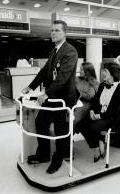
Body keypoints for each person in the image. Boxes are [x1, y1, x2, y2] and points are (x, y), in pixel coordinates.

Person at [21, 20, 78, 174]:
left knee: (61, 130)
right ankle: (44, 154)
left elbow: (63, 77)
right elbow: (44, 72)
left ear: (65, 33)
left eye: (57, 30)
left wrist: (47, 93)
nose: (53, 33)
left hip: (63, 99)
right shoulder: (53, 51)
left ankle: (58, 159)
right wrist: (30, 87)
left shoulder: (70, 51)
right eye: (52, 30)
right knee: (40, 123)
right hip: (51, 97)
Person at [80, 62, 120, 162]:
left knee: (91, 126)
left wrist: (98, 116)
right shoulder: (102, 85)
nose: (102, 73)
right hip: (99, 115)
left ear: (112, 73)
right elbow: (95, 102)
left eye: (105, 71)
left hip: (111, 119)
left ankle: (100, 141)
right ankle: (96, 146)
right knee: (80, 123)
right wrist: (92, 111)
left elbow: (114, 112)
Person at [74, 62, 99, 133]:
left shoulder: (94, 82)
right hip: (75, 102)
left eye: (82, 70)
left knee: (73, 120)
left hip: (85, 105)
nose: (79, 71)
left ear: (87, 71)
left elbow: (89, 96)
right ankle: (67, 139)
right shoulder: (77, 79)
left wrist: (78, 92)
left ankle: (67, 139)